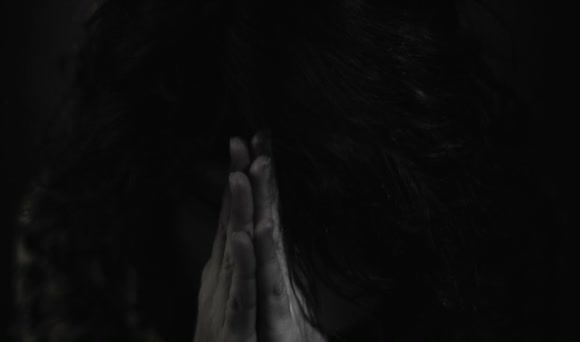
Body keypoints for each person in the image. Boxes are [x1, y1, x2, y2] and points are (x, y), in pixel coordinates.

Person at [12, 0, 543, 340]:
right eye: (228, 214)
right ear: (162, 186)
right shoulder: (79, 248)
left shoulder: (483, 259)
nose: (273, 275)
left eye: (327, 219)